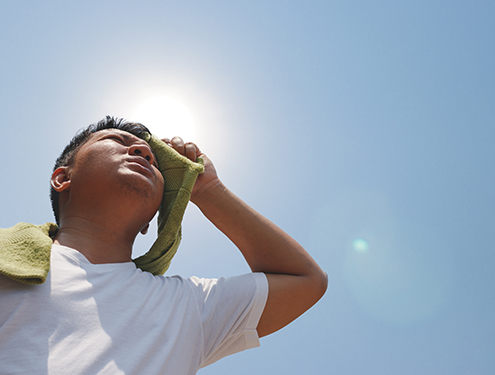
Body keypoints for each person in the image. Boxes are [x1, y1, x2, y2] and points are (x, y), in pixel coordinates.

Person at [0, 116, 327, 374]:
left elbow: (305, 281)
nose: (142, 152)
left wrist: (208, 190)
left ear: (149, 223)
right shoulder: (8, 259)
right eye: (116, 140)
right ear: (62, 178)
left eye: (155, 161)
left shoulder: (188, 306)